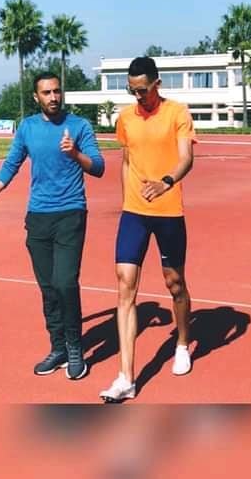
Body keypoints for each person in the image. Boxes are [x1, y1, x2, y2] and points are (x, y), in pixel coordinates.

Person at [0, 72, 105, 380]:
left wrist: (75, 154)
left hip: (70, 213)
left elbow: (99, 167)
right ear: (37, 97)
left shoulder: (79, 126)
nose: (53, 97)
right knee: (48, 288)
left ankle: (75, 347)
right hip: (38, 217)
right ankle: (58, 348)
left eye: (57, 91)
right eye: (46, 93)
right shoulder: (28, 127)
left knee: (65, 283)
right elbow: (11, 164)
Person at [99, 56, 196, 402]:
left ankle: (182, 343)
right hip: (134, 213)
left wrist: (166, 182)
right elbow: (127, 160)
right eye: (132, 91)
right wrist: (127, 200)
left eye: (142, 90)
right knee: (125, 283)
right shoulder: (126, 118)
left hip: (168, 211)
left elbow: (186, 158)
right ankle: (126, 378)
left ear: (157, 84)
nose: (138, 96)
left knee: (175, 283)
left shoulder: (177, 113)